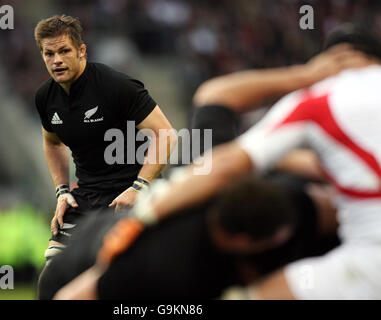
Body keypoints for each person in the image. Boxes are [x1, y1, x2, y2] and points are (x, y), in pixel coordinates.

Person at [145, 24, 381, 299]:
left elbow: (215, 95)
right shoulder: (302, 141)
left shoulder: (313, 106)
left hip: (201, 235)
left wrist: (304, 76)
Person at [33, 15, 176, 289]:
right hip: (85, 195)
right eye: (49, 54)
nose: (57, 60)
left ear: (81, 51)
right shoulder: (45, 97)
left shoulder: (116, 86)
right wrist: (62, 191)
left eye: (64, 51)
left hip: (130, 194)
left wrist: (139, 186)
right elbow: (52, 143)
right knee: (50, 283)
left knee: (119, 282)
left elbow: (166, 133)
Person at [41, 176, 319, 300]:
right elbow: (71, 297)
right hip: (73, 277)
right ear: (243, 243)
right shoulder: (165, 265)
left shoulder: (217, 195)